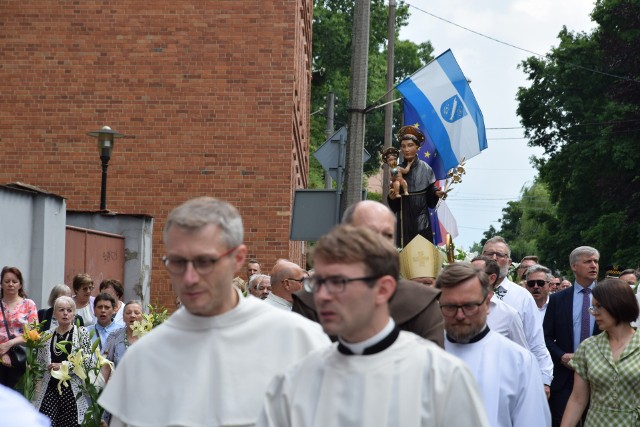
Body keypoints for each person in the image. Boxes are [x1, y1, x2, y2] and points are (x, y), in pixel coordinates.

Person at [99, 197, 329, 427]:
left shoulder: (298, 339)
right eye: (178, 262)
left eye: (205, 262)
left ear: (237, 258)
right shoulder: (144, 357)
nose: (189, 278)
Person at [258, 225, 488, 426]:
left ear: (383, 289)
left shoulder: (441, 375)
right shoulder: (294, 381)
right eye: (318, 282)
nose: (322, 296)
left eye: (338, 282)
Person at [292, 200, 445, 347]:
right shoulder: (310, 302)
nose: (379, 242)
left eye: (387, 235)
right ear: (345, 235)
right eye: (368, 233)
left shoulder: (421, 301)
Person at [438, 262, 551, 427]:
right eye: (450, 307)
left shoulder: (519, 362)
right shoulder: (424, 356)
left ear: (488, 303)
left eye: (469, 306)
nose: (460, 315)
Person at [560, 279, 640, 426]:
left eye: (599, 306)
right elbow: (578, 399)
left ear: (618, 304)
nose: (593, 313)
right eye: (592, 307)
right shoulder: (588, 346)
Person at [482, 237, 554, 397]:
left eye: (500, 255)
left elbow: (535, 341)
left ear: (509, 262)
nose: (494, 258)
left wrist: (544, 380)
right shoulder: (467, 294)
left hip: (512, 380)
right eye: (490, 254)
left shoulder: (522, 296)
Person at [543, 246, 602, 427]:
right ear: (574, 266)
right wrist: (561, 355)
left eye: (596, 261)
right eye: (588, 261)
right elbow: (544, 337)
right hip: (565, 378)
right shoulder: (557, 299)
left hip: (600, 376)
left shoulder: (607, 296)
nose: (593, 266)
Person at [33, 295, 94, 426]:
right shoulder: (46, 335)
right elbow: (39, 366)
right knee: (46, 422)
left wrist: (65, 366)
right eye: (61, 310)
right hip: (49, 388)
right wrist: (36, 391)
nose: (65, 313)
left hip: (72, 389)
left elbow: (88, 362)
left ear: (74, 313)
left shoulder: (81, 333)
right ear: (54, 313)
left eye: (69, 310)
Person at [387, 125, 445, 247]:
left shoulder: (426, 168)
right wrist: (392, 198)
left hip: (421, 213)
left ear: (417, 147)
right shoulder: (397, 169)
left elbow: (430, 191)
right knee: (405, 246)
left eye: (410, 145)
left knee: (422, 247)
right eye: (403, 146)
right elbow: (394, 200)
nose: (406, 149)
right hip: (404, 213)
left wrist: (436, 193)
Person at [471, 256, 528, 348]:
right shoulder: (458, 311)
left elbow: (522, 356)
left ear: (492, 278)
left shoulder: (509, 315)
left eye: (475, 273)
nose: (468, 278)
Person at [0, 266, 38, 388]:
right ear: (1, 284)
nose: (10, 284)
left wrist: (9, 344)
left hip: (21, 357)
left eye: (14, 281)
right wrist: (2, 353)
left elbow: (33, 333)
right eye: (7, 281)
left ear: (20, 285)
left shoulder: (28, 304)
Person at [102, 300, 143, 375]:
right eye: (128, 313)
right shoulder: (114, 335)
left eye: (136, 313)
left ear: (142, 316)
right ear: (123, 317)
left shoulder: (150, 336)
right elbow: (105, 364)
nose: (132, 315)